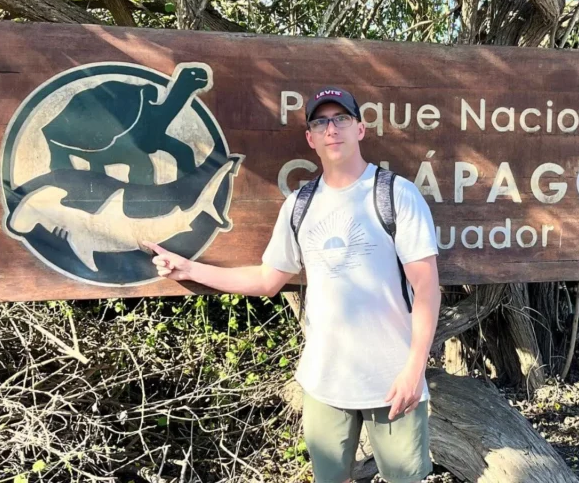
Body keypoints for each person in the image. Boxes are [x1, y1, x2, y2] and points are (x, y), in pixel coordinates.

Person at [144, 86, 441, 483]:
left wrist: (414, 370)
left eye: (341, 119)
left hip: (393, 379)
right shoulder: (299, 205)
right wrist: (191, 270)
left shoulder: (396, 194)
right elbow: (268, 279)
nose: (331, 129)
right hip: (324, 381)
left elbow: (427, 288)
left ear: (360, 129)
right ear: (311, 138)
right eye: (321, 122)